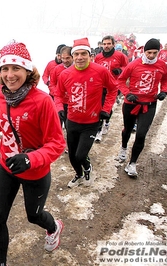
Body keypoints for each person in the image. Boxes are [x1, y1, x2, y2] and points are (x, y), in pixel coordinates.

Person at [0, 41, 66, 266]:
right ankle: (0, 263)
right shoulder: (1, 94)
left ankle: (53, 227)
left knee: (34, 216)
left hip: (35, 172)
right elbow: (5, 116)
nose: (10, 75)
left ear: (27, 70)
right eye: (5, 69)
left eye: (16, 68)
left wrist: (31, 158)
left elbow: (57, 143)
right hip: (7, 165)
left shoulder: (43, 102)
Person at [54, 37, 118, 188]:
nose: (80, 57)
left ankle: (88, 169)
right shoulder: (65, 74)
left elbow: (113, 89)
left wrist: (106, 109)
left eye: (83, 54)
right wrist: (60, 109)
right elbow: (58, 94)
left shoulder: (100, 71)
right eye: (76, 54)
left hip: (91, 122)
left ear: (90, 55)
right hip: (72, 121)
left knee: (80, 155)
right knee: (72, 155)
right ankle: (79, 174)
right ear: (73, 56)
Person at [117, 38, 167, 177]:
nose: (151, 56)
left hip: (149, 105)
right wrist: (127, 94)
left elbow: (165, 79)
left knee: (141, 134)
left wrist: (164, 91)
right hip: (131, 104)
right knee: (127, 129)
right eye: (148, 52)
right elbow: (121, 80)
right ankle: (123, 148)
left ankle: (132, 163)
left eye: (154, 53)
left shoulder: (162, 65)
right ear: (144, 51)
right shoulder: (134, 64)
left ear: (158, 52)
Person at [94, 35, 129, 142]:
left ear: (113, 44)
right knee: (99, 108)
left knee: (108, 107)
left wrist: (120, 70)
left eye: (109, 44)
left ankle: (107, 122)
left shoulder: (120, 56)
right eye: (104, 44)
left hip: (114, 86)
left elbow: (127, 68)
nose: (106, 46)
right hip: (100, 86)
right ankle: (98, 131)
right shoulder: (98, 57)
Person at [50, 46, 73, 128]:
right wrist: (56, 92)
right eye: (63, 58)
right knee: (57, 125)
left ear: (72, 57)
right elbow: (52, 84)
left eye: (67, 58)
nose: (65, 61)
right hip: (60, 101)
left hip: (72, 103)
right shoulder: (57, 69)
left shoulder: (77, 69)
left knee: (69, 126)